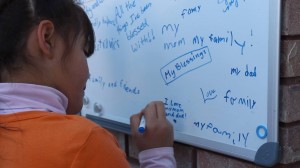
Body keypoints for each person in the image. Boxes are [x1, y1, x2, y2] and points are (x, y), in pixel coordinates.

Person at [0, 0, 176, 167]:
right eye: (83, 50)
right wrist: (157, 156)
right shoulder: (84, 143)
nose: (89, 72)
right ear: (47, 39)